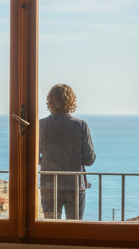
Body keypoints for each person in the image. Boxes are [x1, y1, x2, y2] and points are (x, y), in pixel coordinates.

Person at [38, 83, 96, 220]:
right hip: (74, 184)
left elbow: (33, 155)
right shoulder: (81, 125)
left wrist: (47, 160)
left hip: (49, 184)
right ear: (71, 101)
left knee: (51, 225)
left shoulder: (41, 125)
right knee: (74, 226)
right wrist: (74, 158)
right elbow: (89, 160)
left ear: (50, 101)